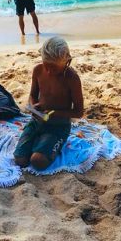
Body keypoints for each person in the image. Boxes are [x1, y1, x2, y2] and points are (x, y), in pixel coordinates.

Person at [13, 37, 84, 171]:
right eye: (46, 65)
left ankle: (48, 144)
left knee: (37, 161)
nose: (49, 71)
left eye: (54, 68)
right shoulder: (38, 70)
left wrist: (54, 114)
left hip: (58, 126)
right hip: (37, 121)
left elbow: (79, 112)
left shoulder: (71, 78)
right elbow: (32, 95)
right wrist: (33, 106)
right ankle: (41, 142)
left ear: (66, 61)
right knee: (20, 160)